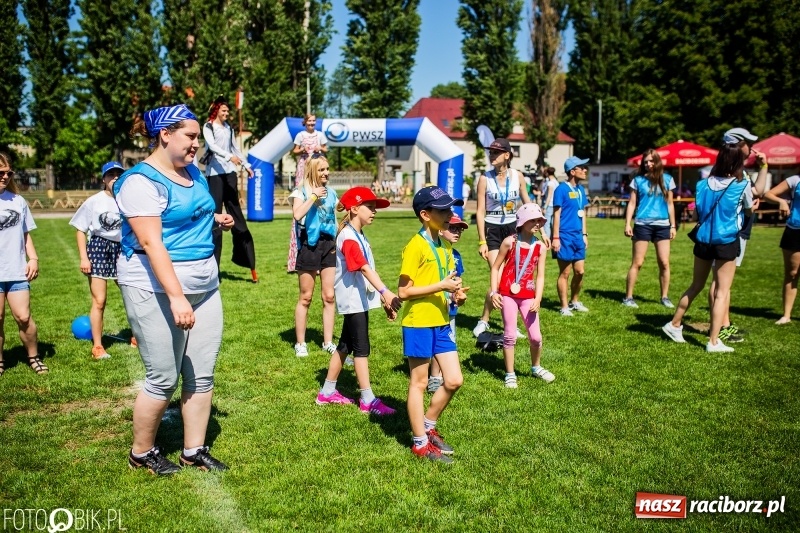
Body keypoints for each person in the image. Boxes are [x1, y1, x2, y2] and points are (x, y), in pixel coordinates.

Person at [115, 104, 234, 475]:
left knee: (201, 372)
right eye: (191, 136)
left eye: (198, 136)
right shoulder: (139, 181)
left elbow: (188, 211)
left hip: (205, 283)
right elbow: (152, 243)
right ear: (165, 134)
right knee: (163, 377)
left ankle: (193, 450)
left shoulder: (193, 172)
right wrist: (178, 296)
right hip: (156, 287)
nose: (197, 143)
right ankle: (142, 453)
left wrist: (216, 218)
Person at [315, 187, 402, 414]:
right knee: (361, 349)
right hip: (353, 302)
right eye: (370, 207)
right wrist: (386, 292)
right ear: (354, 208)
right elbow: (363, 268)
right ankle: (367, 400)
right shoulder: (348, 237)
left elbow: (367, 268)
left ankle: (326, 392)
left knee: (345, 345)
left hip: (358, 300)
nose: (374, 212)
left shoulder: (358, 234)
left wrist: (382, 299)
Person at [662, 142, 754, 353]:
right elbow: (748, 210)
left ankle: (674, 323)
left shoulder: (702, 185)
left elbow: (696, 215)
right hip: (726, 241)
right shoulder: (742, 184)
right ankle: (713, 342)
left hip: (703, 241)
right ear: (738, 161)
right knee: (721, 291)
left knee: (696, 286)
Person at [399, 186, 468, 463]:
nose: (451, 213)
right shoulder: (415, 246)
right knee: (419, 382)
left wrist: (455, 293)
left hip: (441, 319)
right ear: (426, 215)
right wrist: (441, 285)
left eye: (451, 208)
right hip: (418, 322)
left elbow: (447, 282)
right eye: (445, 210)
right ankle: (419, 444)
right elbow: (404, 291)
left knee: (454, 380)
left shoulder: (445, 245)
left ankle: (428, 426)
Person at [709, 128, 769, 343]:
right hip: (730, 232)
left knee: (723, 283)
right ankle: (721, 329)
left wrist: (763, 168)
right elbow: (745, 200)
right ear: (736, 144)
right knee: (720, 284)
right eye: (748, 142)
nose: (752, 146)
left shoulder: (736, 170)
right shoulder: (731, 171)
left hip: (733, 231)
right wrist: (748, 207)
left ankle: (724, 325)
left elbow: (756, 193)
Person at [473, 138, 534, 338]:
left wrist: (542, 230)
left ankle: (502, 322)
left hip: (512, 227)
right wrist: (482, 240)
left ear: (507, 155)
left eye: (496, 152)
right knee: (498, 277)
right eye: (490, 152)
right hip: (492, 228)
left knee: (510, 278)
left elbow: (528, 205)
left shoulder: (518, 176)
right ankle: (484, 321)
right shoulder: (484, 178)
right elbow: (480, 211)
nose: (491, 155)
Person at [489, 203, 554, 388]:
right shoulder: (510, 242)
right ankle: (510, 373)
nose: (537, 224)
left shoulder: (540, 247)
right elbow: (495, 267)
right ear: (522, 222)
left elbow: (540, 275)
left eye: (539, 220)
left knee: (536, 337)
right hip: (507, 294)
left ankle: (536, 367)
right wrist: (494, 292)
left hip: (528, 296)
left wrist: (538, 298)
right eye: (533, 220)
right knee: (510, 335)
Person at [69, 161, 125, 360]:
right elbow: (80, 229)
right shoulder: (94, 201)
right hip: (99, 248)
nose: (115, 177)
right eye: (111, 174)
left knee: (132, 297)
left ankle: (138, 337)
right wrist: (84, 257)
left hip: (122, 249)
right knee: (99, 300)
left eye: (119, 173)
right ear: (104, 179)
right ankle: (98, 346)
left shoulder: (129, 200)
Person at [202, 96, 258, 283]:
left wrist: (246, 165)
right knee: (216, 223)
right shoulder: (208, 126)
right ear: (216, 110)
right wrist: (228, 156)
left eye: (228, 111)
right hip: (215, 176)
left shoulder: (229, 128)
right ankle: (213, 270)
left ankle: (249, 263)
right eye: (224, 110)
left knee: (239, 221)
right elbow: (212, 146)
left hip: (230, 175)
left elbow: (235, 149)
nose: (226, 114)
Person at [0, 152, 45, 376]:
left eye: (9, 173)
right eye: (1, 172)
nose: (6, 176)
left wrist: (33, 258)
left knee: (24, 317)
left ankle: (33, 357)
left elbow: (25, 234)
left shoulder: (18, 201)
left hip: (16, 270)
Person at [289, 155, 338, 357]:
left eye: (327, 169)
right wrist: (314, 196)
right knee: (306, 297)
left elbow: (336, 216)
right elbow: (297, 214)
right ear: (312, 171)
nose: (326, 173)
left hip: (329, 244)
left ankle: (328, 342)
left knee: (329, 296)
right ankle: (300, 343)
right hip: (309, 245)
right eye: (321, 170)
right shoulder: (300, 191)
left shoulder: (333, 193)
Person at [622, 149, 677, 309]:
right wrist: (627, 223)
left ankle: (664, 297)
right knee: (637, 262)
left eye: (651, 161)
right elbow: (632, 203)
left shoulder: (667, 180)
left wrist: (673, 225)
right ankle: (628, 297)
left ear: (657, 162)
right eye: (646, 162)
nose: (648, 164)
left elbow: (670, 204)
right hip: (642, 224)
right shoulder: (637, 180)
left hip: (663, 225)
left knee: (664, 262)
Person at [427, 214, 468, 394]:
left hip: (450, 306)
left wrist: (458, 294)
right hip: (434, 304)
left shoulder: (456, 254)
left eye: (460, 229)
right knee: (435, 341)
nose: (457, 232)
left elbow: (458, 278)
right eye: (453, 228)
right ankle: (434, 377)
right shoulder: (433, 249)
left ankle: (439, 375)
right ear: (441, 228)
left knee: (446, 340)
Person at [287, 113, 328, 273]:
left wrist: (320, 148)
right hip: (304, 168)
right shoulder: (300, 135)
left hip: (316, 166)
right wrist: (302, 150)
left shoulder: (320, 135)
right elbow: (294, 151)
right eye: (309, 121)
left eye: (313, 121)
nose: (311, 123)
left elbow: (326, 149)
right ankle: (296, 256)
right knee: (304, 198)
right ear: (305, 123)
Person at [552, 156, 591, 316]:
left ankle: (574, 300)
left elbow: (583, 214)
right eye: (582, 168)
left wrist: (584, 234)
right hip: (564, 236)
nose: (585, 170)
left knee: (580, 271)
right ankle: (564, 307)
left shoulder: (581, 190)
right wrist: (555, 237)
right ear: (572, 171)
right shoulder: (561, 189)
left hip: (577, 236)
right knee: (565, 273)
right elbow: (556, 214)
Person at [764, 175, 800, 325]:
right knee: (792, 273)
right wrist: (782, 201)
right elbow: (767, 194)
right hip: (794, 230)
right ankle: (786, 315)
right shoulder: (795, 180)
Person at [540, 166, 558, 239]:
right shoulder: (556, 182)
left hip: (549, 205)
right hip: (555, 204)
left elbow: (549, 196)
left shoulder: (550, 183)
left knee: (546, 224)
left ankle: (547, 240)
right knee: (553, 223)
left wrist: (545, 207)